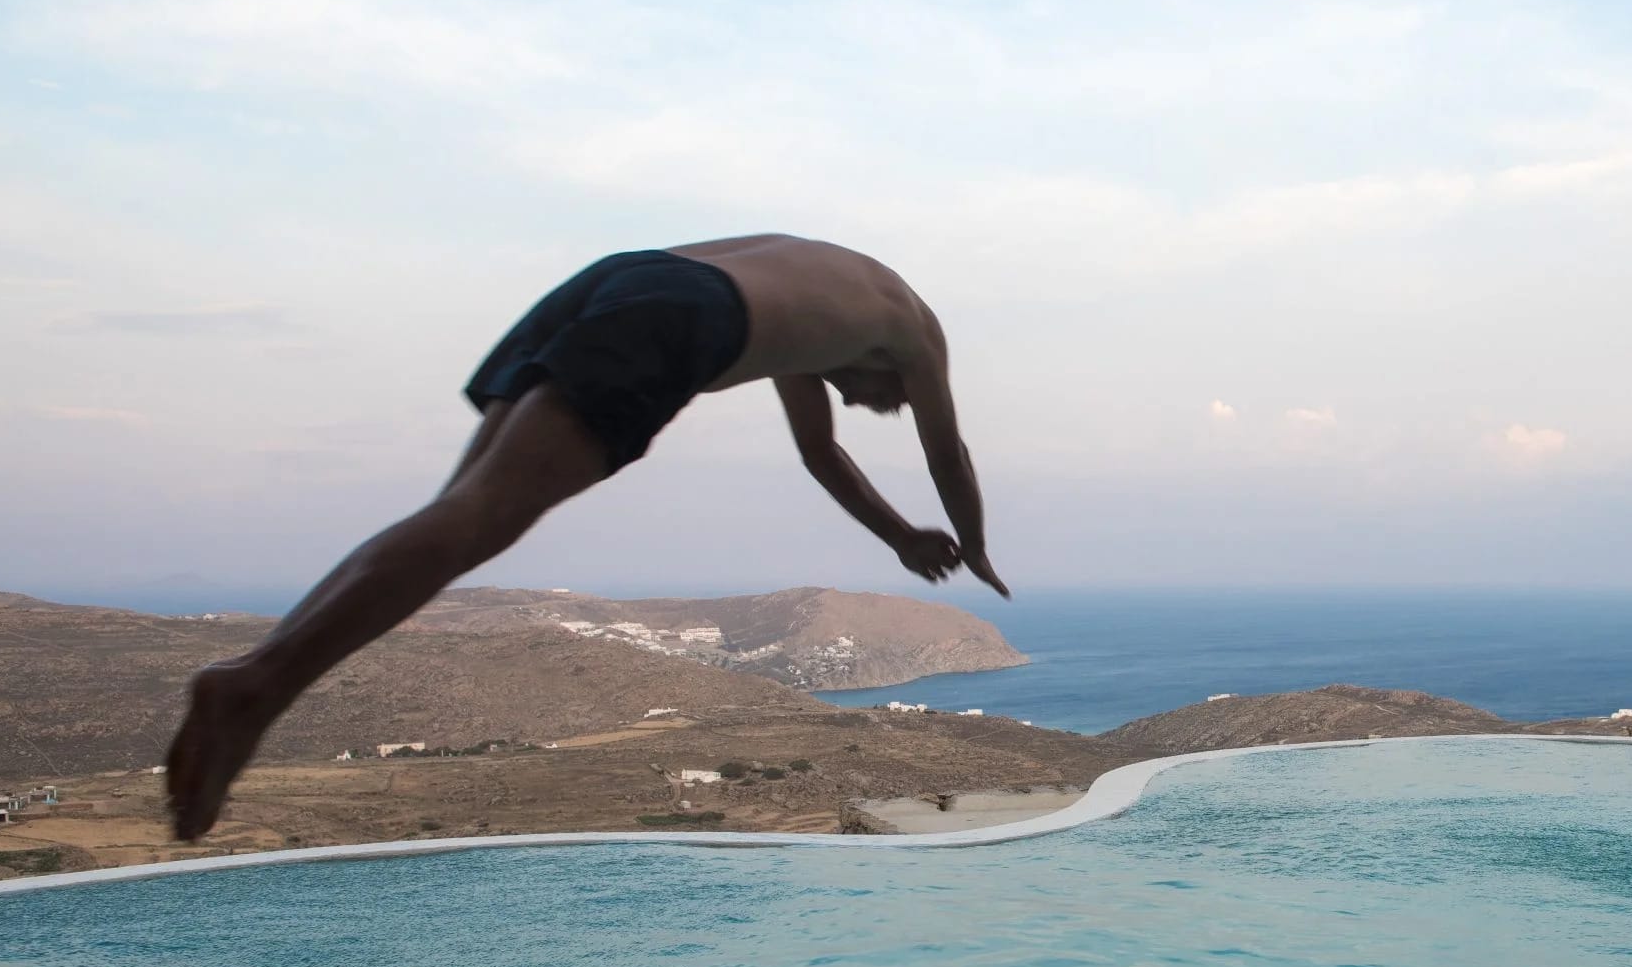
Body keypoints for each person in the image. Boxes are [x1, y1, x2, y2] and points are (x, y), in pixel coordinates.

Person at [163, 233, 1006, 842]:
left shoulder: (820, 288)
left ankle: (266, 667)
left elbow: (820, 453)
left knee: (458, 511)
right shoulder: (913, 328)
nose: (860, 401)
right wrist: (976, 547)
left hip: (622, 275)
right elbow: (949, 452)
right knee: (481, 518)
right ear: (904, 368)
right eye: (879, 398)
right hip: (682, 311)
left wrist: (898, 537)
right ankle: (257, 683)